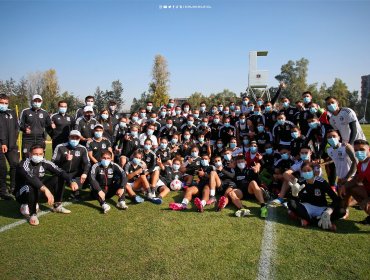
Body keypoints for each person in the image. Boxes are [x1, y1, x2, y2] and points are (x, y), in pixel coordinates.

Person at [14, 144, 78, 225]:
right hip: (22, 194)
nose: (38, 156)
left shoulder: (45, 162)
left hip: (38, 191)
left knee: (59, 177)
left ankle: (57, 206)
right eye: (35, 154)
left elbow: (60, 171)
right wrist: (45, 189)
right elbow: (31, 178)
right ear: (30, 154)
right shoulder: (23, 164)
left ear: (43, 154)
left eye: (40, 154)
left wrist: (71, 180)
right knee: (30, 186)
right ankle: (33, 214)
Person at [287, 162, 345, 230]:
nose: (306, 173)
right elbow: (295, 201)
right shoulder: (300, 182)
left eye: (309, 170)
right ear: (301, 172)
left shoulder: (321, 182)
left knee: (341, 211)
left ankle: (308, 220)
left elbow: (335, 199)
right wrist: (294, 195)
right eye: (304, 171)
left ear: (313, 171)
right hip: (306, 208)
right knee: (291, 203)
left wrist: (328, 211)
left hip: (322, 208)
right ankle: (317, 223)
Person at [52, 130, 90, 201]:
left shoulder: (83, 148)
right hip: (62, 173)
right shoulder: (60, 147)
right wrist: (64, 159)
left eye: (77, 138)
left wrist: (85, 173)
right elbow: (53, 163)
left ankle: (76, 192)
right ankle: (57, 194)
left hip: (75, 173)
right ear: (69, 137)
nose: (74, 140)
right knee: (58, 189)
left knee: (88, 174)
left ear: (79, 139)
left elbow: (87, 163)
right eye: (72, 137)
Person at [341, 139, 370, 224]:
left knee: (366, 203)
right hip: (367, 191)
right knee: (349, 188)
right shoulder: (361, 164)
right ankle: (344, 210)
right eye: (356, 150)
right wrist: (344, 186)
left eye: (362, 150)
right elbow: (356, 179)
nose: (358, 152)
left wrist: (368, 199)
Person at [0, 94, 19, 199]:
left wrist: (14, 139)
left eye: (5, 103)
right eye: (1, 103)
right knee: (2, 168)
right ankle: (2, 191)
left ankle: (13, 187)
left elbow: (16, 127)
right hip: (1, 144)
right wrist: (3, 142)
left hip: (11, 144)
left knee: (15, 165)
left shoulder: (12, 113)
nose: (4, 105)